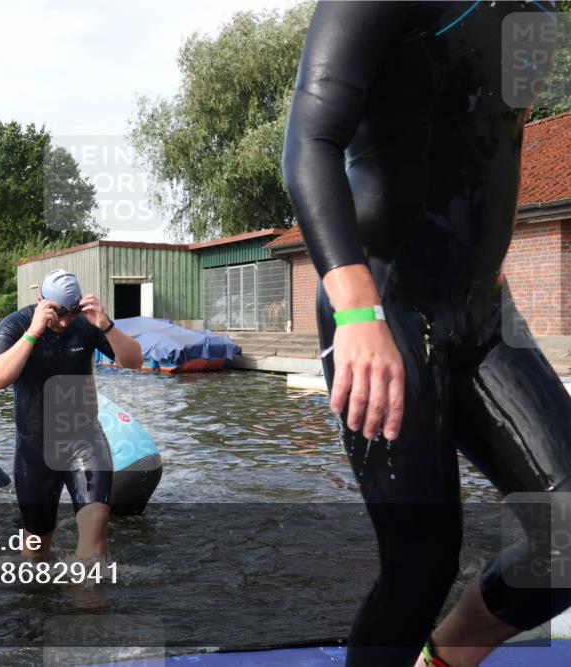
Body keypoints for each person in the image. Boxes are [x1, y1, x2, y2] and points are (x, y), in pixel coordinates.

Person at [281, 3, 571, 666]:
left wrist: (481, 255)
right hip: (383, 304)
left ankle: (442, 660)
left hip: (483, 312)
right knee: (423, 556)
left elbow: (492, 143)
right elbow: (309, 143)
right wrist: (356, 311)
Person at [0, 269, 143, 560]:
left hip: (84, 440)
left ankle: (89, 603)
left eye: (71, 312)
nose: (65, 320)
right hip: (36, 448)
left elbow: (135, 360)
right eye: (58, 312)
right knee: (36, 545)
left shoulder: (87, 324)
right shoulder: (16, 325)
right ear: (40, 301)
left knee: (95, 528)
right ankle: (40, 599)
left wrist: (106, 325)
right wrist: (34, 332)